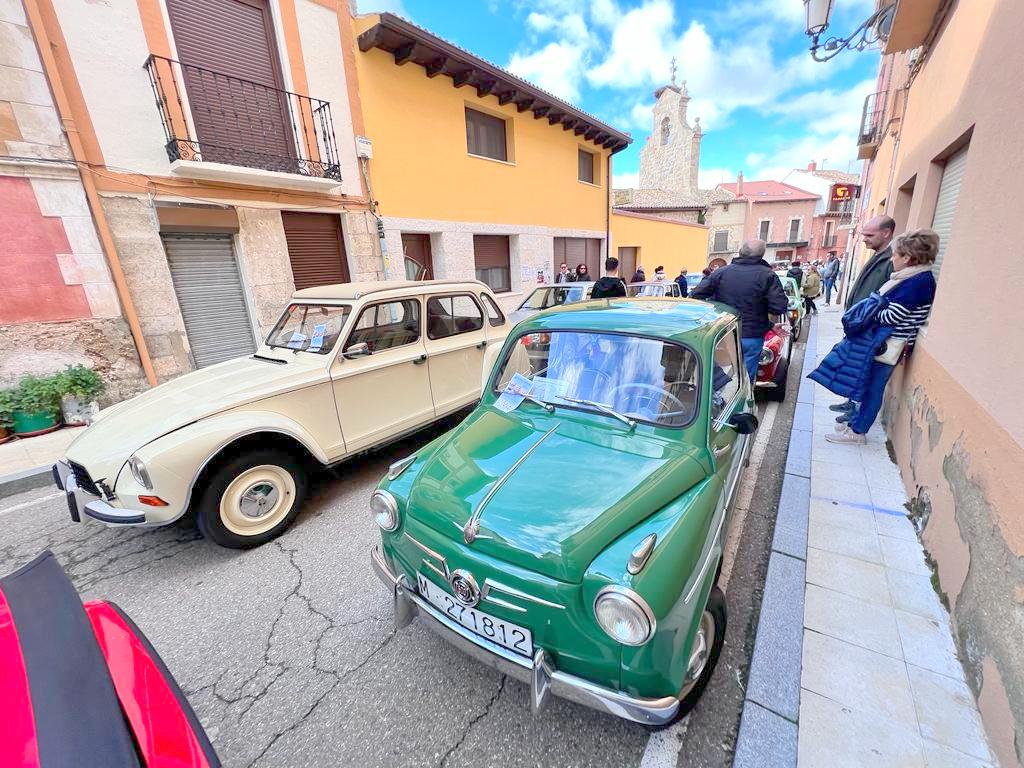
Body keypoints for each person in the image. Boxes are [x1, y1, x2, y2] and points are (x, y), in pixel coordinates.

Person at [811, 229, 938, 445]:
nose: (893, 259)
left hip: (886, 345)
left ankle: (857, 432)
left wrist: (871, 307)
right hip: (881, 342)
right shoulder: (912, 279)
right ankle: (854, 424)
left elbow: (891, 316)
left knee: (872, 389)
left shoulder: (917, 283)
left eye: (896, 255)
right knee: (866, 383)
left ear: (908, 258)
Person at [692, 239, 790, 384]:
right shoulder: (767, 275)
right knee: (745, 381)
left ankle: (716, 401)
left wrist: (716, 307)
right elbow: (778, 307)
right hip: (751, 336)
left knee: (715, 378)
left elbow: (696, 295)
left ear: (740, 252)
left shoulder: (721, 272)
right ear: (761, 255)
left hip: (723, 334)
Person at [828, 216, 896, 417]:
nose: (864, 239)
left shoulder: (891, 259)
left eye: (869, 235)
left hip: (870, 328)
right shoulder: (879, 255)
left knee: (864, 370)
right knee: (855, 368)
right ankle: (851, 403)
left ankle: (856, 414)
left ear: (886, 233)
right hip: (860, 325)